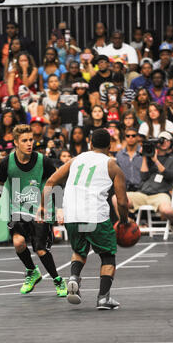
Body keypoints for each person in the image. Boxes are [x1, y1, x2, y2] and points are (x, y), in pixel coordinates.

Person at [38, 128, 129, 309]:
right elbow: (122, 202)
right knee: (107, 256)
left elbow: (50, 182)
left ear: (90, 143)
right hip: (95, 216)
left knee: (80, 251)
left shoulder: (75, 159)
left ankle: (73, 278)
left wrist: (43, 207)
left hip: (72, 215)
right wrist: (125, 221)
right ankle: (103, 298)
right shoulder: (112, 165)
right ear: (109, 145)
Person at [0, 124, 67, 297]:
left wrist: (59, 208)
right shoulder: (7, 163)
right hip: (17, 209)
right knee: (18, 243)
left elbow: (56, 183)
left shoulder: (43, 161)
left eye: (31, 140)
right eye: (24, 141)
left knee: (40, 249)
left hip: (41, 208)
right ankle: (32, 271)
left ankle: (57, 280)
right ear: (15, 142)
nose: (29, 143)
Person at [118, 131, 173, 239]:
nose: (163, 142)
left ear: (172, 144)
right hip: (143, 193)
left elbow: (169, 176)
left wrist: (156, 160)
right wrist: (145, 156)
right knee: (116, 199)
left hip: (161, 194)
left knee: (167, 211)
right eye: (161, 140)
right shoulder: (149, 158)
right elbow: (143, 177)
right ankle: (128, 224)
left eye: (166, 140)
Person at [116, 127, 142, 192]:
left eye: (133, 136)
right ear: (125, 137)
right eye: (128, 136)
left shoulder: (144, 152)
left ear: (137, 137)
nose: (130, 138)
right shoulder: (119, 155)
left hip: (142, 188)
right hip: (125, 189)